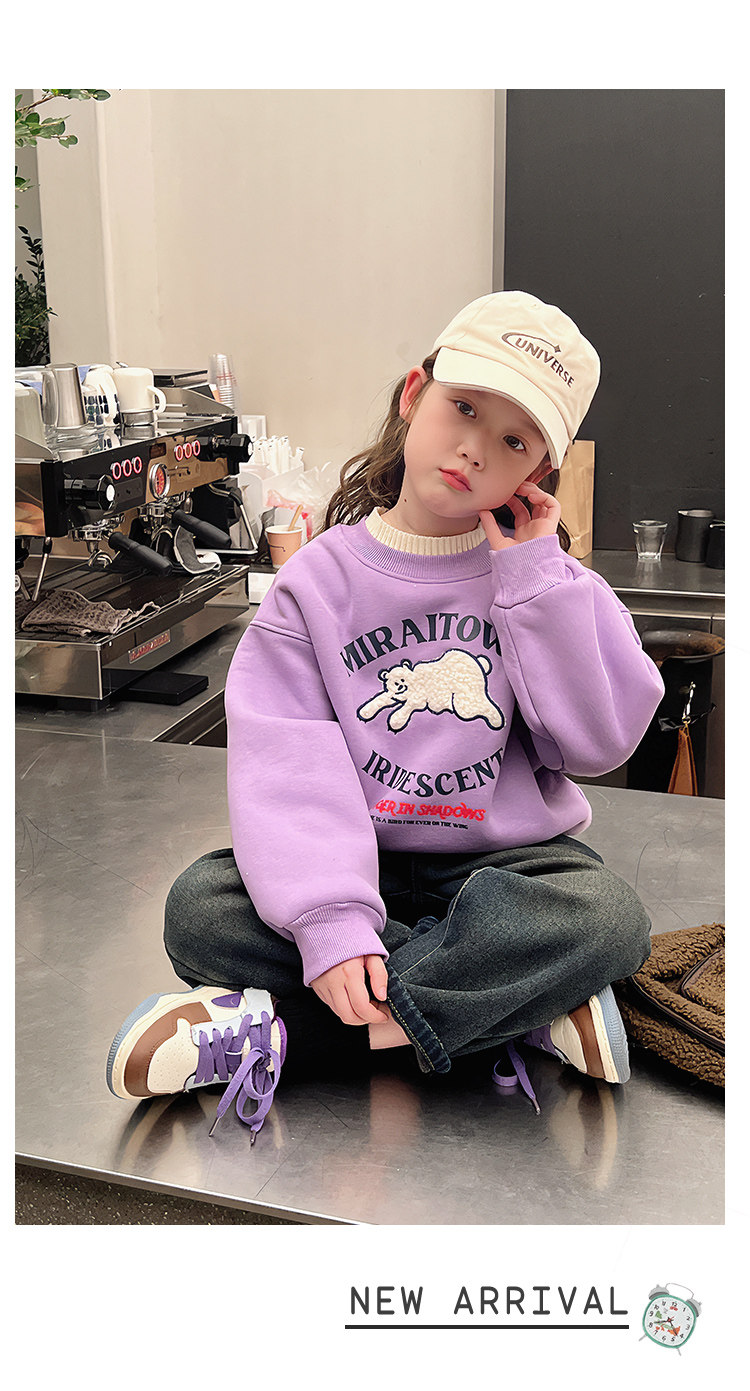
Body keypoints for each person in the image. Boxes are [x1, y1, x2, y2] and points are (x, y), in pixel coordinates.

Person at [107, 290, 665, 1139]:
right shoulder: (316, 583)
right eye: (464, 408)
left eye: (514, 441)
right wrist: (332, 920)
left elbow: (597, 744)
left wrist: (535, 584)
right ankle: (514, 1011)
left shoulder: (554, 584)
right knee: (201, 907)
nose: (475, 449)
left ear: (537, 475)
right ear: (414, 394)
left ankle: (286, 1033)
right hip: (350, 860)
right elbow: (288, 763)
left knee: (606, 916)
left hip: (501, 873)